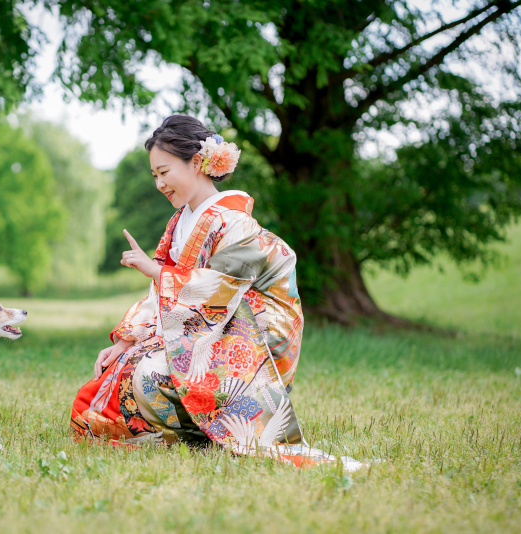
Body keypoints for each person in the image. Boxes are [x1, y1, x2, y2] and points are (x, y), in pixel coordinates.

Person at [71, 115, 361, 469]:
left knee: (149, 373)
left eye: (164, 172)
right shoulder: (181, 222)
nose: (160, 183)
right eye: (155, 176)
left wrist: (156, 271)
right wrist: (126, 339)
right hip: (205, 327)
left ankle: (208, 434)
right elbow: (159, 294)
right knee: (122, 368)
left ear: (196, 162)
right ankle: (198, 436)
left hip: (250, 334)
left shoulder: (235, 222)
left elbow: (217, 292)